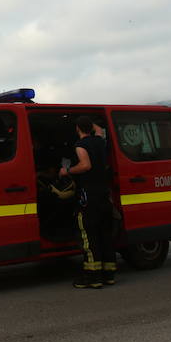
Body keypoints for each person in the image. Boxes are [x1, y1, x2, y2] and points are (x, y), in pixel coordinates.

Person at [60, 115, 116, 288]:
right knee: (105, 235)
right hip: (104, 196)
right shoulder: (100, 141)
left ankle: (93, 278)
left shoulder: (80, 146)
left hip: (89, 198)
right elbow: (99, 130)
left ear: (77, 129)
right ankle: (109, 275)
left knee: (89, 238)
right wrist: (89, 123)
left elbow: (85, 166)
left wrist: (66, 171)